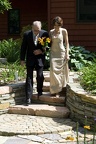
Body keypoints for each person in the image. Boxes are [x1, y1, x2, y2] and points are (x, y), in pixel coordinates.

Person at [20, 21, 49, 105]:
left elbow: (49, 45)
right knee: (29, 78)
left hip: (40, 59)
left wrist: (41, 51)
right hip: (30, 58)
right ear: (32, 28)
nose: (37, 32)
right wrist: (22, 59)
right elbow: (23, 47)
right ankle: (28, 98)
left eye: (38, 30)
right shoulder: (27, 34)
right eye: (35, 30)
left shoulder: (45, 33)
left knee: (40, 76)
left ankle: (40, 91)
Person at [49, 16, 70, 97]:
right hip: (53, 54)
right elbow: (49, 43)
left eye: (58, 25)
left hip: (61, 53)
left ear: (60, 25)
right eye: (55, 25)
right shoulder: (51, 32)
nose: (56, 27)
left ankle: (58, 91)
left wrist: (67, 53)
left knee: (61, 72)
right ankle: (54, 90)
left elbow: (67, 43)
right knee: (53, 72)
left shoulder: (64, 31)